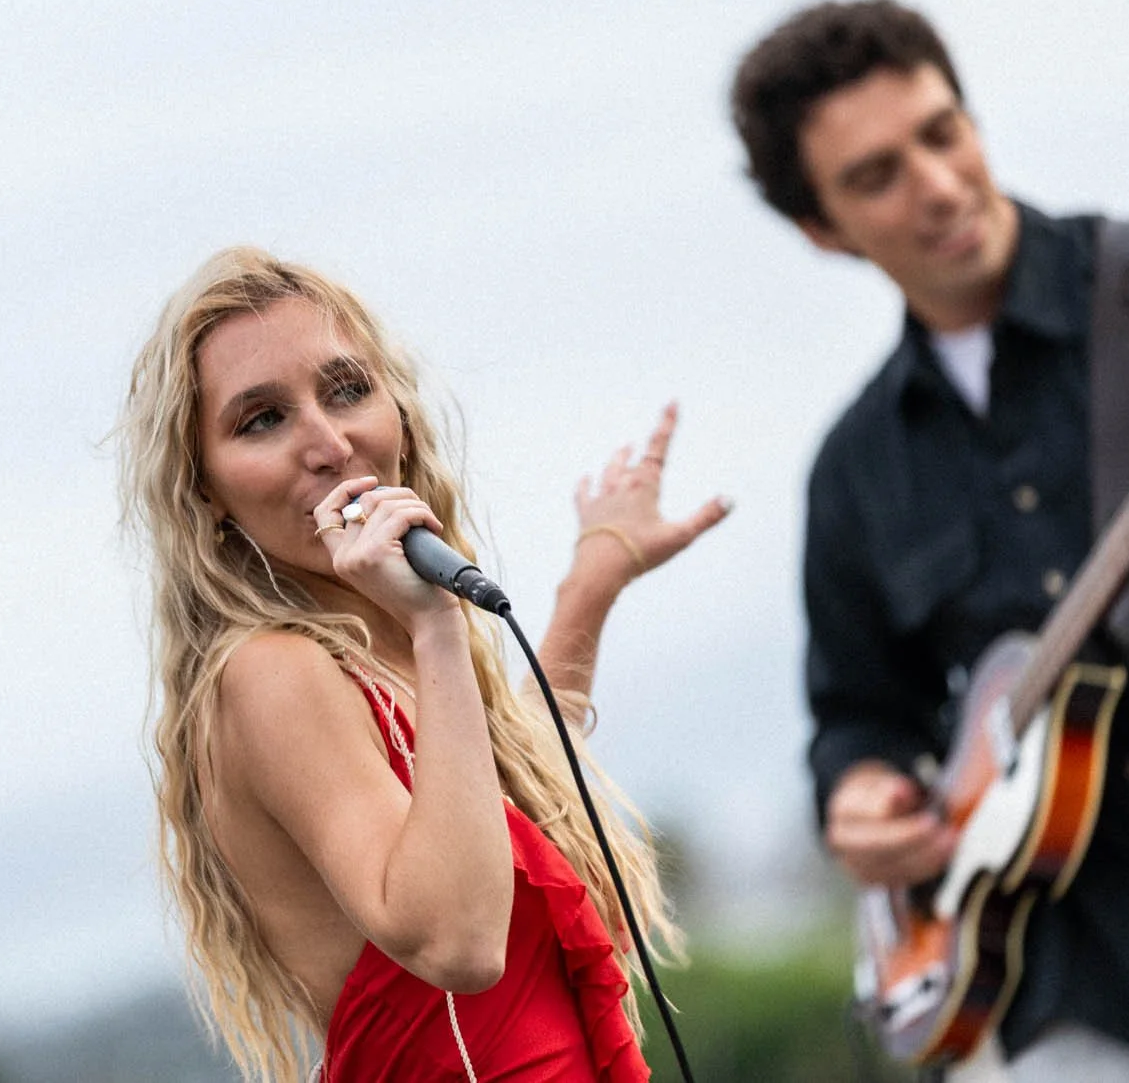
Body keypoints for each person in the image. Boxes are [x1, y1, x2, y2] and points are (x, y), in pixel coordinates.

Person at [729, 0, 1129, 1081]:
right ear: (821, 229)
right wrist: (857, 794)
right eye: (876, 175)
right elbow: (855, 710)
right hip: (1070, 994)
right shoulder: (856, 468)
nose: (937, 184)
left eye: (942, 131)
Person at [118, 247, 729, 1082]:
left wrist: (590, 584)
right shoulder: (271, 673)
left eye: (346, 390)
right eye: (262, 419)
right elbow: (458, 939)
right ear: (204, 491)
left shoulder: (387, 651)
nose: (329, 443)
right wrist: (438, 619)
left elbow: (510, 805)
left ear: (397, 412)